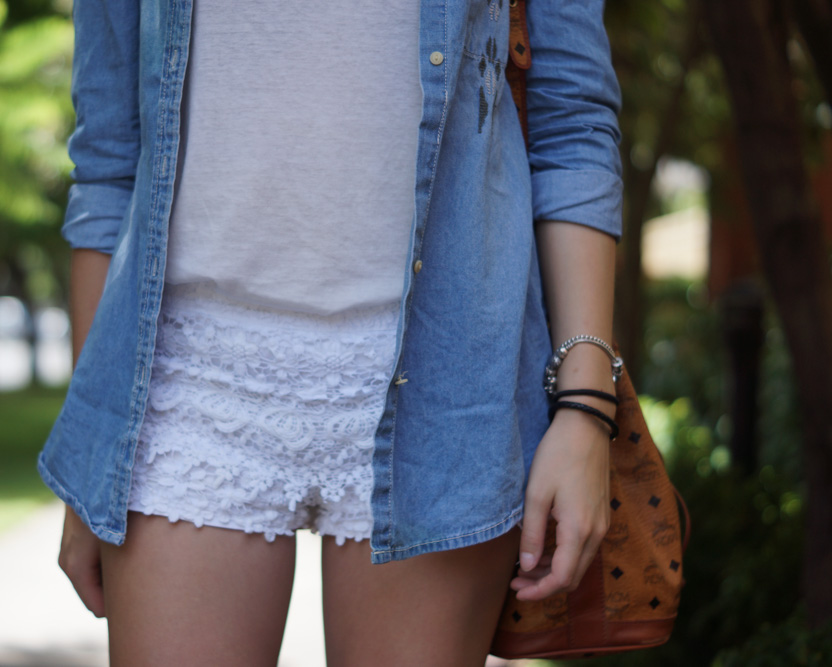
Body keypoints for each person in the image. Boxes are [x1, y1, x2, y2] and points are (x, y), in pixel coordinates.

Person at [39, 0, 623, 664]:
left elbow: (572, 127)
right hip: (185, 383)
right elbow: (108, 159)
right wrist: (94, 455)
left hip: (444, 391)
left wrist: (585, 408)